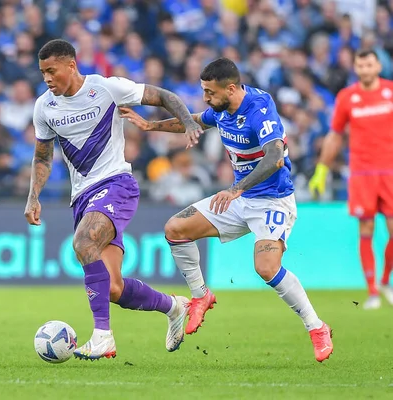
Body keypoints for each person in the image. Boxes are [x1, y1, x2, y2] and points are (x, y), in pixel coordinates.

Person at [120, 58, 334, 363]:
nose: (206, 97)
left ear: (230, 88)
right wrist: (150, 125)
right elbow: (194, 120)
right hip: (238, 199)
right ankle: (200, 295)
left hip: (271, 199)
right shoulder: (222, 109)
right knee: (175, 229)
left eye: (210, 92)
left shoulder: (259, 108)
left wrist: (236, 189)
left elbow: (274, 156)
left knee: (266, 267)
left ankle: (317, 328)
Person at [23, 39, 204, 360]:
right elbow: (42, 156)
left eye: (52, 71)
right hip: (82, 197)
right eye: (42, 73)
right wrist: (33, 196)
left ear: (71, 66)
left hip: (116, 184)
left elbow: (163, 96)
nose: (47, 78)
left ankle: (103, 336)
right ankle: (175, 306)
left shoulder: (106, 88)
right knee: (112, 288)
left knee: (82, 244)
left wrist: (189, 122)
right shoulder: (44, 107)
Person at [309, 49, 393, 310]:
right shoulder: (347, 97)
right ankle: (372, 292)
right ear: (356, 68)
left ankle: (385, 280)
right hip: (362, 173)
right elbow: (334, 135)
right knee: (365, 230)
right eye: (360, 65)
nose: (365, 69)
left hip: (390, 172)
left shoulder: (391, 92)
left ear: (378, 66)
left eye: (369, 64)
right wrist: (321, 170)